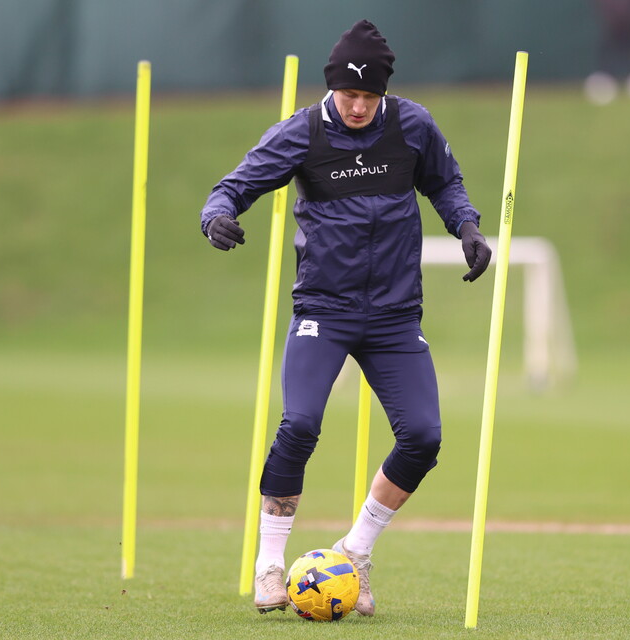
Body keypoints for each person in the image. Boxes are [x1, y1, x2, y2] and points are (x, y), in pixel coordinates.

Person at [200, 19, 491, 616]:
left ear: (384, 92)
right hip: (323, 310)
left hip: (393, 315)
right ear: (332, 87)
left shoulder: (413, 125)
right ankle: (269, 565)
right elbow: (234, 186)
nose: (358, 106)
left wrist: (466, 227)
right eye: (348, 94)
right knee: (301, 424)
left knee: (424, 438)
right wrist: (217, 216)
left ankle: (355, 550)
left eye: (369, 96)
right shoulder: (302, 132)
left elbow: (447, 185)